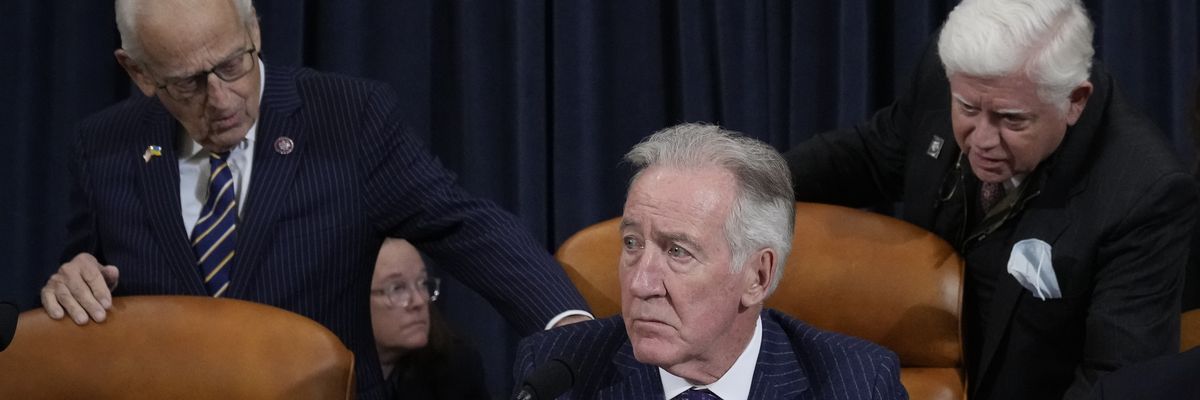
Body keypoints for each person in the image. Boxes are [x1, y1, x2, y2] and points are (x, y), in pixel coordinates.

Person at [38, 0, 590, 396]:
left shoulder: (348, 117)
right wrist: (74, 279)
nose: (223, 97)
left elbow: (463, 226)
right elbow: (89, 273)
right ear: (137, 72)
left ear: (254, 26)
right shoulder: (104, 146)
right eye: (188, 82)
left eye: (234, 63)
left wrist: (564, 322)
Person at [784, 0, 1197, 399]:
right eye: (967, 109)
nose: (981, 141)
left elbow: (1117, 382)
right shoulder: (957, 70)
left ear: (1075, 101)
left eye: (1011, 119)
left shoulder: (1144, 194)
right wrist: (746, 182)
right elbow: (872, 157)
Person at [514, 123, 907, 399]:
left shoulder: (857, 383)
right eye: (632, 243)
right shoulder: (559, 375)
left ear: (758, 275)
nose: (641, 284)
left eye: (677, 251)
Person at [370, 238, 488, 399]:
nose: (419, 301)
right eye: (397, 288)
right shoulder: (328, 370)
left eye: (422, 283)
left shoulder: (458, 367)